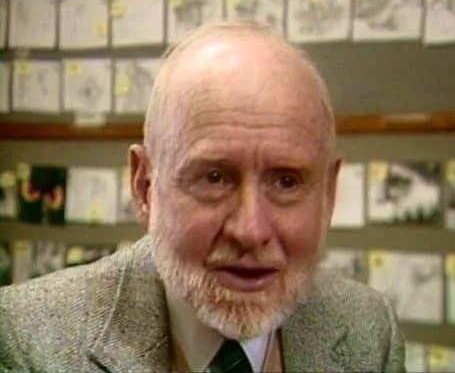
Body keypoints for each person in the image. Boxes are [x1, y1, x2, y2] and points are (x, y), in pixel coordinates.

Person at [0, 21, 405, 372]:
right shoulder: (25, 338)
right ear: (145, 187)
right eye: (214, 178)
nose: (250, 231)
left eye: (286, 182)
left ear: (329, 194)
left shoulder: (370, 330)